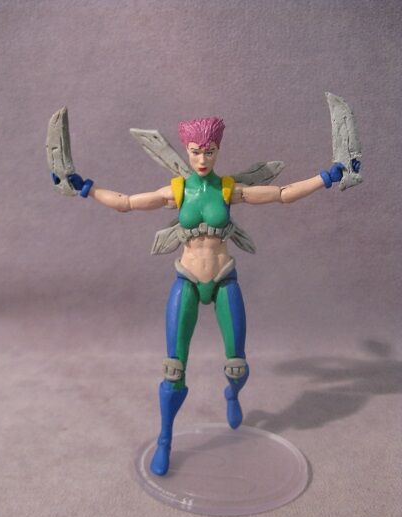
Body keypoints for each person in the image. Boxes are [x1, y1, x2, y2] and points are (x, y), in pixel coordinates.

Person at [61, 116, 360, 476]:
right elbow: (127, 202)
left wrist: (327, 177)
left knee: (237, 365)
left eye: (209, 151)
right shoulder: (177, 189)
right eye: (195, 152)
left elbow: (282, 194)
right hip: (187, 279)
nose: (202, 159)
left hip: (222, 279)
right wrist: (86, 187)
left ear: (218, 150)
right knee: (174, 368)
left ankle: (232, 393)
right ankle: (165, 440)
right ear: (186, 151)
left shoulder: (228, 189)